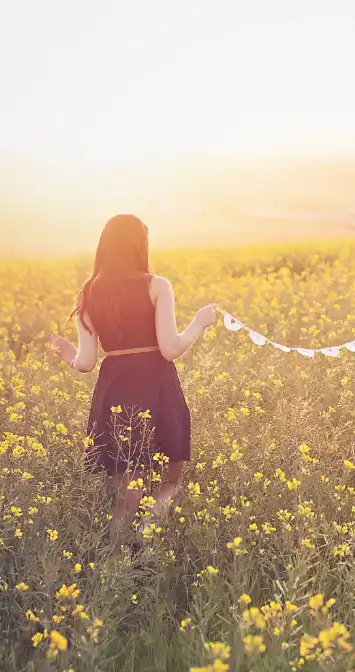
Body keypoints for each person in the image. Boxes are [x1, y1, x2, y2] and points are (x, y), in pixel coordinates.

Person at [48, 214, 217, 545]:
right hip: (156, 387)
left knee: (125, 499)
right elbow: (170, 349)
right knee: (169, 483)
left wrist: (68, 353)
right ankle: (145, 538)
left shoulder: (89, 292)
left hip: (114, 392)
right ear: (140, 244)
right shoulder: (157, 285)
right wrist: (199, 322)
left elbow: (85, 362)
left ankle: (116, 561)